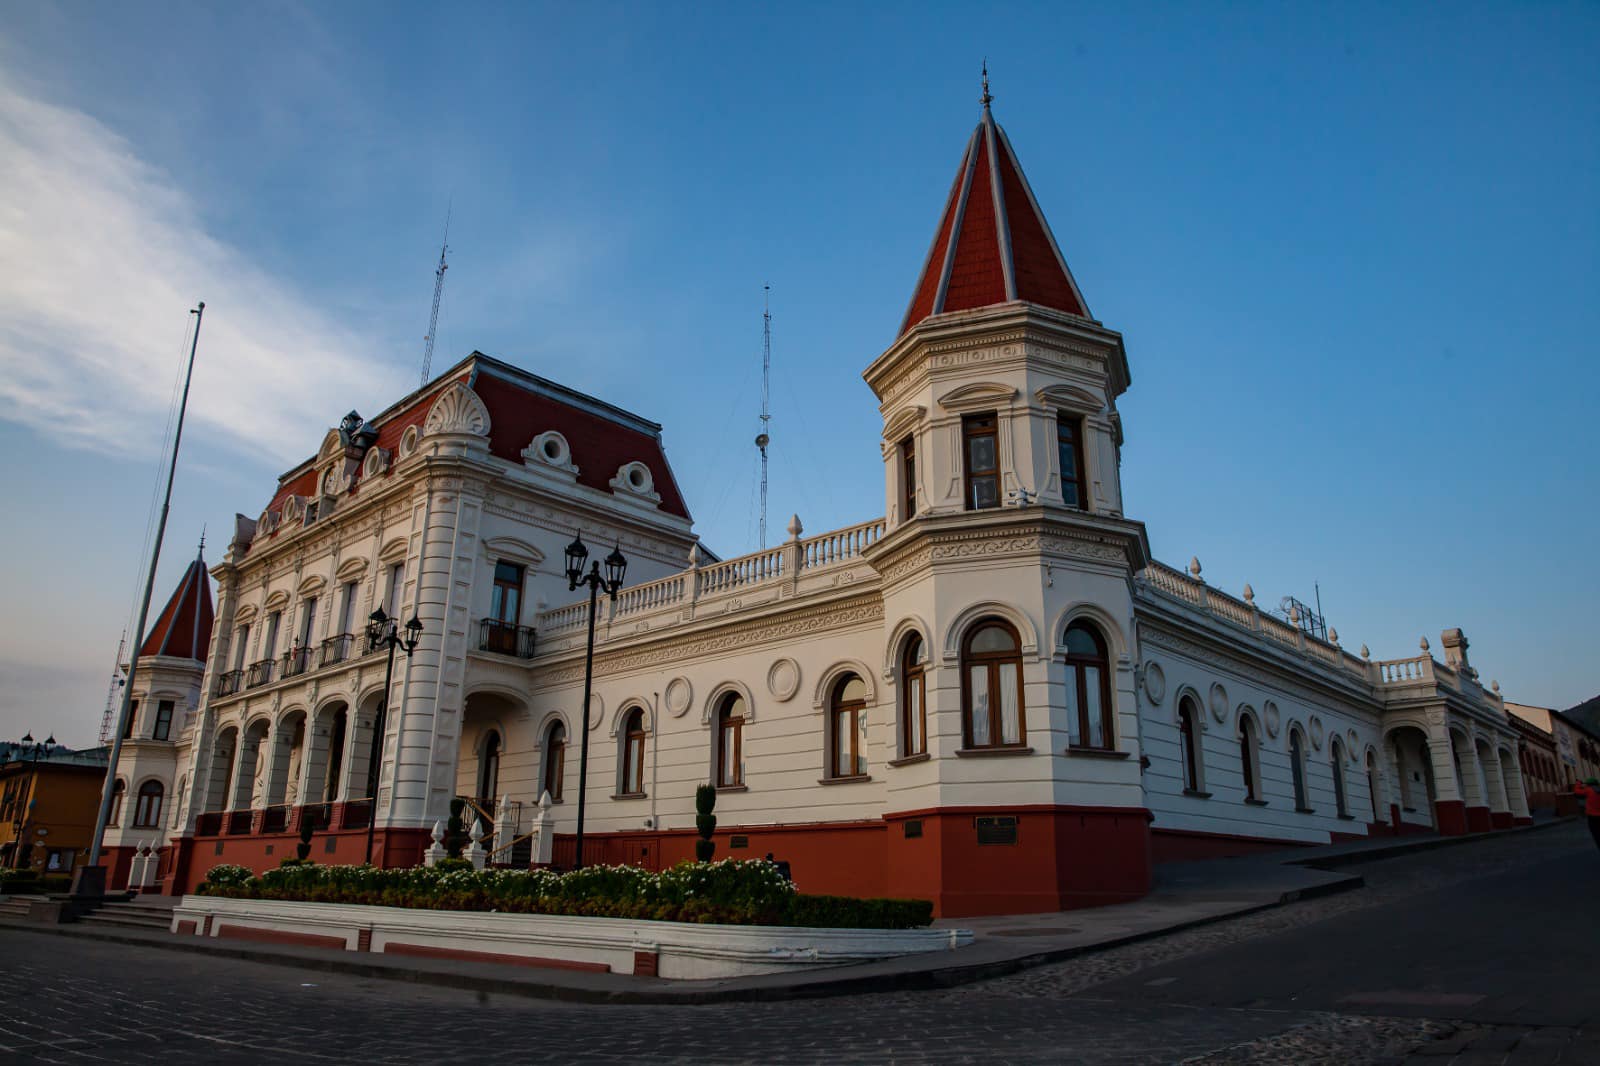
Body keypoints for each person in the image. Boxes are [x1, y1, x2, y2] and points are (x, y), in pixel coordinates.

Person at [1576, 777, 1600, 851]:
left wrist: (1578, 784)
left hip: (1592, 816)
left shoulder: (1588, 790)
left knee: (1596, 834)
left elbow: (1577, 792)